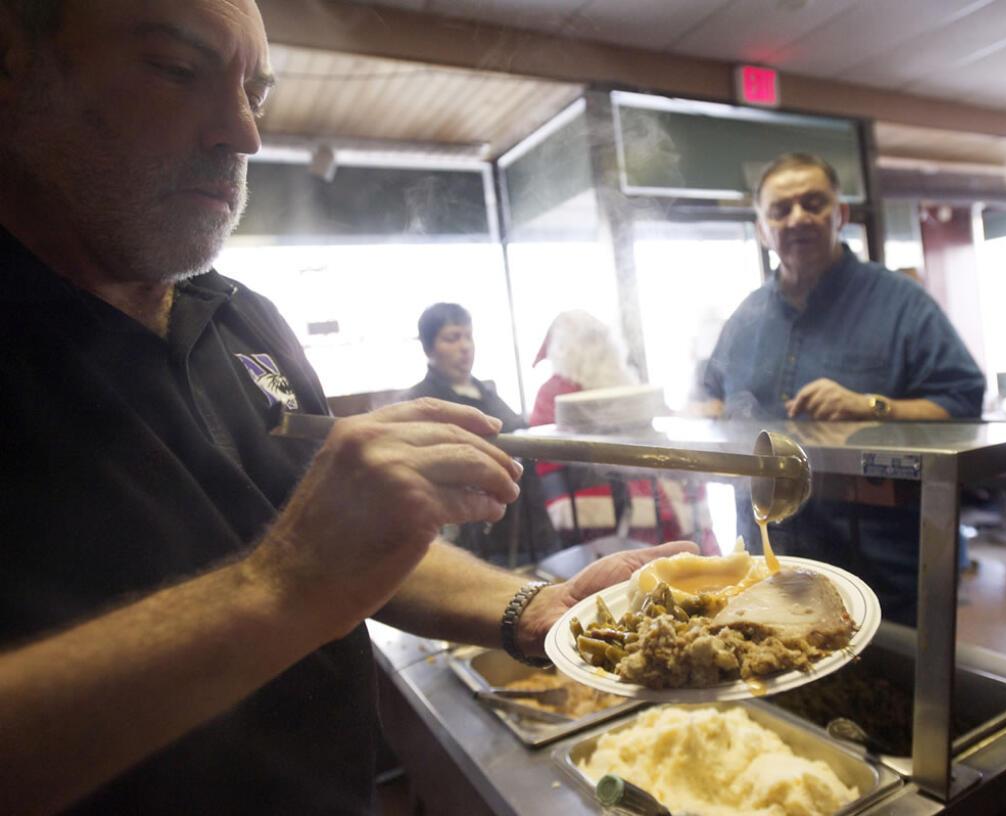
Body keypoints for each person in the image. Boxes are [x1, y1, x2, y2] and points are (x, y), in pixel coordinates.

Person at [0, 1, 693, 812]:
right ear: (14, 59)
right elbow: (303, 572)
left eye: (255, 94)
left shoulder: (239, 316)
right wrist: (278, 586)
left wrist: (534, 610)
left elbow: (345, 551)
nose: (243, 134)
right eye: (176, 70)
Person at [699, 152, 985, 625]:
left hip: (881, 567)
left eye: (813, 203)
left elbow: (962, 404)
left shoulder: (902, 303)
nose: (798, 219)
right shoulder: (745, 317)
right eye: (780, 209)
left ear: (841, 215)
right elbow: (712, 399)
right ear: (761, 228)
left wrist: (873, 407)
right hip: (768, 563)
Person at [529, 310, 718, 553]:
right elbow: (554, 447)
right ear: (568, 348)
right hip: (603, 482)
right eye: (587, 339)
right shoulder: (553, 391)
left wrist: (689, 412)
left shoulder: (621, 376)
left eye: (600, 336)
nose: (597, 345)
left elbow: (657, 416)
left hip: (642, 469)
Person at [405, 302, 558, 565]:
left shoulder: (487, 392)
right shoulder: (422, 402)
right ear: (429, 347)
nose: (464, 346)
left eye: (468, 336)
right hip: (484, 542)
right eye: (452, 338)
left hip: (533, 528)